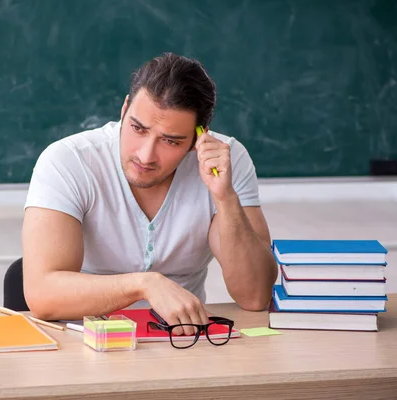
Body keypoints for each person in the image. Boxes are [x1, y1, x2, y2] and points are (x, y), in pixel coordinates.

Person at [21, 52, 278, 335]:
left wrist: (225, 197)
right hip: (85, 340)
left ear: (199, 137)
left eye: (170, 140)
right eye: (137, 128)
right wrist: (146, 284)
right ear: (124, 109)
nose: (146, 155)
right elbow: (42, 295)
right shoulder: (68, 160)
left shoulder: (226, 162)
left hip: (183, 344)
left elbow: (254, 296)